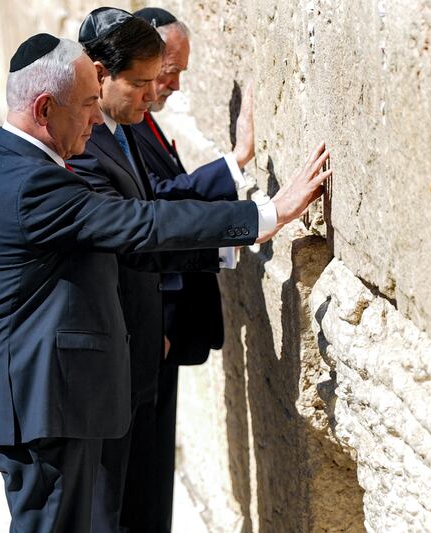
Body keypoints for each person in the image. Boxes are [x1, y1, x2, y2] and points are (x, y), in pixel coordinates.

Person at [0, 32, 329, 532]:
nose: (94, 118)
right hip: (39, 405)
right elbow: (142, 225)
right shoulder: (31, 184)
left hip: (41, 400)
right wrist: (268, 213)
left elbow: (129, 249)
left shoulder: (4, 166)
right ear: (44, 108)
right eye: (87, 104)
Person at [67, 8, 330, 532]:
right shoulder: (86, 148)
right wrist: (267, 214)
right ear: (103, 74)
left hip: (144, 344)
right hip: (123, 348)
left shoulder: (127, 125)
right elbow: (148, 225)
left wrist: (238, 165)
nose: (159, 91)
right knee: (116, 505)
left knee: (145, 495)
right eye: (151, 77)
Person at [122, 7, 257, 531]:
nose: (175, 84)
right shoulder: (117, 127)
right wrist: (235, 161)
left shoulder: (142, 118)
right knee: (137, 485)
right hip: (149, 333)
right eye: (168, 70)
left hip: (164, 333)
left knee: (153, 483)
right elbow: (156, 210)